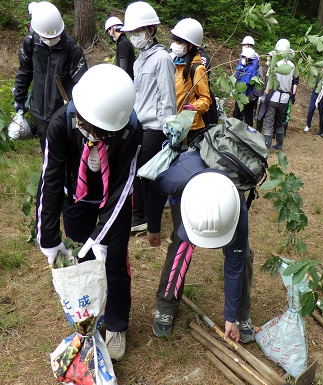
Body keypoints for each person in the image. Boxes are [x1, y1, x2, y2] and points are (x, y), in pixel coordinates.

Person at [35, 64, 142, 361]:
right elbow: (51, 179)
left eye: (99, 130)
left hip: (113, 200)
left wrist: (102, 236)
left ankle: (117, 323)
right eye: (86, 124)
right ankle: (89, 319)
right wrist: (48, 236)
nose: (90, 132)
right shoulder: (62, 123)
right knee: (80, 260)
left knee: (115, 260)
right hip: (76, 195)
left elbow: (123, 187)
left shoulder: (131, 130)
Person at [147, 150, 255, 343]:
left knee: (242, 256)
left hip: (225, 201)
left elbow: (235, 267)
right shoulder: (173, 180)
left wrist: (229, 317)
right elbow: (155, 191)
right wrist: (153, 228)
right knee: (180, 247)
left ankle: (240, 314)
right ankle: (166, 305)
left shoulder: (236, 207)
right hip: (187, 191)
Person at [121, 2, 176, 232]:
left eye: (138, 32)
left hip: (156, 126)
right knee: (134, 170)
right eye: (131, 32)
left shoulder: (162, 58)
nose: (134, 36)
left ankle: (145, 219)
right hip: (139, 123)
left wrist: (170, 130)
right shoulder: (140, 59)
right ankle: (140, 216)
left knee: (145, 174)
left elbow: (167, 96)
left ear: (151, 31)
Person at [13, 1, 87, 152]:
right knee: (47, 150)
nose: (51, 40)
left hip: (63, 111)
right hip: (39, 109)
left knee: (66, 150)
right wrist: (19, 99)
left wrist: (79, 111)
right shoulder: (31, 42)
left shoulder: (71, 48)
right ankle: (49, 173)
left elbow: (82, 83)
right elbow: (25, 71)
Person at [170, 18, 212, 141]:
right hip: (174, 124)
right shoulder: (174, 64)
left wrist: (194, 107)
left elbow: (206, 99)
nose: (175, 45)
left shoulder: (197, 69)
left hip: (190, 128)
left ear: (190, 45)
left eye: (179, 42)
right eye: (175, 41)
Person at [262, 39, 296, 149]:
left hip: (274, 97)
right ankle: (279, 144)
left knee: (269, 122)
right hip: (285, 99)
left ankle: (266, 146)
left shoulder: (275, 64)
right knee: (280, 121)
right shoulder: (292, 66)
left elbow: (270, 82)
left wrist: (264, 96)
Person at [232, 47, 260, 127]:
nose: (242, 59)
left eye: (244, 57)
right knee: (237, 114)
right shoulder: (242, 67)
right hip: (241, 95)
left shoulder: (251, 70)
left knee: (246, 117)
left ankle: (247, 132)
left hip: (246, 97)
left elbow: (245, 83)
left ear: (249, 59)